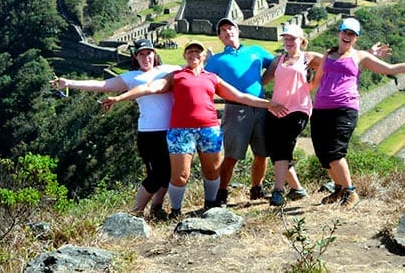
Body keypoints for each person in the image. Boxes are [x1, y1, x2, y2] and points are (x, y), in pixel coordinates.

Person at [104, 40, 287, 218]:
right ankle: (176, 211)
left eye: (197, 52)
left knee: (212, 171)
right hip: (181, 131)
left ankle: (209, 205)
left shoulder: (212, 78)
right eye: (190, 52)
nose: (194, 55)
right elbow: (150, 87)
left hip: (209, 129)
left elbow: (240, 96)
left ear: (204, 56)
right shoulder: (176, 76)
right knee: (181, 175)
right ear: (184, 55)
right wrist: (119, 98)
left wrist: (268, 104)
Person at [310, 17, 405, 209]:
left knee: (334, 152)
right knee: (322, 153)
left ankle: (351, 192)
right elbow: (317, 80)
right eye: (345, 32)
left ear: (356, 38)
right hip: (321, 108)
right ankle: (338, 189)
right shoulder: (328, 55)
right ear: (339, 33)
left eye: (352, 34)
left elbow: (390, 69)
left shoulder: (361, 57)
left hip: (344, 108)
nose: (347, 36)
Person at [50, 38, 179, 220]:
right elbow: (101, 85)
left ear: (154, 54)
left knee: (169, 173)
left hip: (172, 131)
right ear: (135, 56)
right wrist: (69, 83)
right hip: (149, 133)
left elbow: (195, 70)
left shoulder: (170, 70)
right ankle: (135, 213)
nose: (145, 57)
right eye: (141, 54)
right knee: (155, 175)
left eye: (148, 53)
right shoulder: (132, 77)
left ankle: (157, 208)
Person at [205, 17, 305, 206]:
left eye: (230, 28)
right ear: (220, 37)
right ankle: (222, 192)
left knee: (262, 153)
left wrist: (263, 81)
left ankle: (256, 189)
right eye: (223, 30)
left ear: (238, 30)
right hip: (235, 110)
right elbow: (204, 81)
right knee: (232, 155)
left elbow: (278, 61)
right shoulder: (217, 60)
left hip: (261, 109)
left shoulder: (255, 51)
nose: (228, 32)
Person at [259, 24, 321, 207]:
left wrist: (314, 85)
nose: (289, 42)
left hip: (298, 109)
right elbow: (263, 81)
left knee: (284, 147)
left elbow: (335, 63)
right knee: (274, 152)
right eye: (286, 38)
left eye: (292, 38)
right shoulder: (278, 60)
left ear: (301, 40)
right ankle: (298, 190)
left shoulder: (308, 57)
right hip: (276, 108)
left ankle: (278, 192)